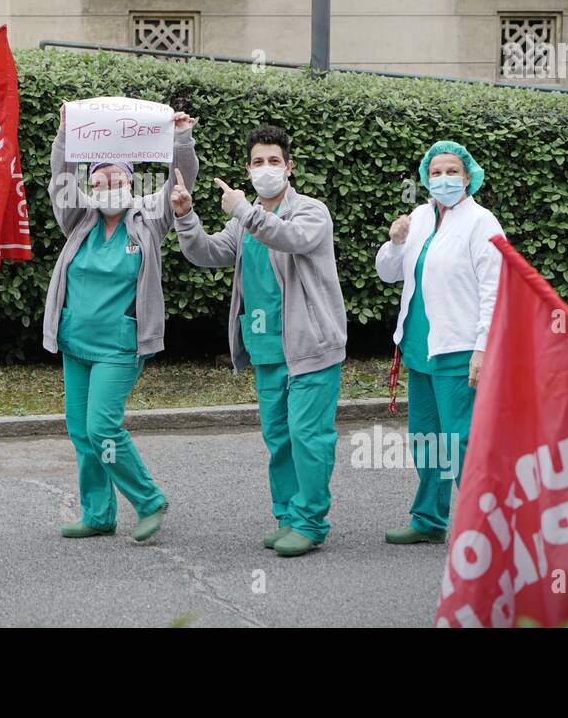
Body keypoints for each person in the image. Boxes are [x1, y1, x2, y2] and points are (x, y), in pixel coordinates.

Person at [172, 125, 347, 558]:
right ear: (247, 169)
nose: (265, 169)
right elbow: (207, 253)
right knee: (279, 437)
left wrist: (243, 211)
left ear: (289, 168)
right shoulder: (246, 223)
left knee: (309, 436)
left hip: (311, 347)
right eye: (257, 162)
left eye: (273, 161)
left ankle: (310, 522)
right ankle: (287, 516)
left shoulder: (311, 211)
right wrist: (185, 216)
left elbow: (290, 238)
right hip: (266, 347)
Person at [42, 103, 197, 543]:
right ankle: (97, 513)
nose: (107, 185)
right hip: (76, 341)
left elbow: (180, 181)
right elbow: (61, 176)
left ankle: (148, 500)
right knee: (80, 430)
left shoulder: (149, 218)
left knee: (102, 426)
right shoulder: (78, 218)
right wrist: (66, 132)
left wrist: (181, 138)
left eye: (116, 178)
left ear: (131, 180)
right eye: (99, 179)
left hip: (120, 346)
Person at [375, 140, 504, 545]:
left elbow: (494, 290)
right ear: (425, 178)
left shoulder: (482, 223)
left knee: (462, 440)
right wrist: (395, 240)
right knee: (426, 438)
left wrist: (483, 347)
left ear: (468, 177)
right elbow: (388, 273)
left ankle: (481, 529)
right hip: (418, 347)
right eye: (436, 172)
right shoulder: (419, 216)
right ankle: (430, 518)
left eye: (452, 172)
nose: (443, 179)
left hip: (460, 348)